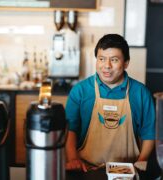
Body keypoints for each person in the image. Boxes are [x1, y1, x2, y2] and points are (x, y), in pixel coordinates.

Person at [65, 34, 156, 173]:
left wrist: (140, 162)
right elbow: (70, 130)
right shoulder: (80, 91)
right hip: (87, 169)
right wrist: (73, 159)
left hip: (128, 171)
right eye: (101, 59)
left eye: (114, 60)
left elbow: (149, 133)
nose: (106, 66)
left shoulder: (141, 93)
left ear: (126, 63)